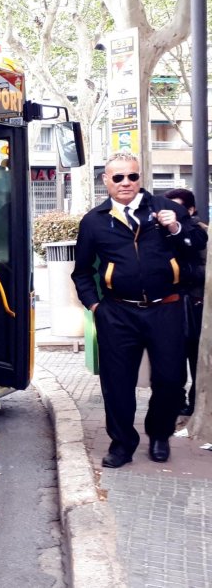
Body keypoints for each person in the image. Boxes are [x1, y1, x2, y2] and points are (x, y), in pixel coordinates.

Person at [71, 153, 207, 467]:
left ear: (140, 178)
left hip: (166, 309)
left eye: (132, 176)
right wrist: (95, 306)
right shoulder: (94, 220)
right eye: (117, 177)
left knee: (171, 380)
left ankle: (160, 435)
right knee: (117, 383)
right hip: (117, 313)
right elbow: (81, 272)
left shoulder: (166, 208)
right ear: (105, 181)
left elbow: (198, 240)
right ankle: (122, 444)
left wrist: (175, 228)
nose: (125, 183)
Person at [164, 187, 208, 416]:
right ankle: (177, 401)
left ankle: (194, 402)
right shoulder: (159, 232)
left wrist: (182, 271)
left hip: (195, 304)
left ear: (190, 210)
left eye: (178, 207)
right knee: (172, 357)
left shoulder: (200, 233)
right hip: (169, 304)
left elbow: (206, 271)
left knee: (195, 356)